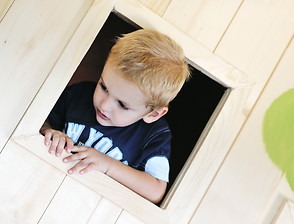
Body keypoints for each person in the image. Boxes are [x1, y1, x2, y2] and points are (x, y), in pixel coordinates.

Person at [40, 29, 190, 203]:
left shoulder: (154, 134)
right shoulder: (79, 93)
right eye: (103, 87)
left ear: (154, 113)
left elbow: (156, 190)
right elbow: (41, 118)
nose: (104, 105)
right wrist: (49, 131)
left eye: (122, 104)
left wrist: (108, 165)